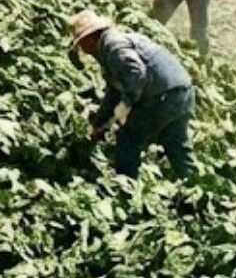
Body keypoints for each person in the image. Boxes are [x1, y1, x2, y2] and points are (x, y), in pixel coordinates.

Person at [66, 10, 195, 178]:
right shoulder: (115, 44)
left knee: (128, 140)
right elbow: (113, 93)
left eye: (81, 44)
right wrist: (100, 124)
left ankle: (125, 191)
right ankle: (195, 189)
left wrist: (126, 104)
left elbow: (136, 73)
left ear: (89, 38)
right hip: (182, 92)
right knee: (177, 146)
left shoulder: (113, 46)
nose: (83, 50)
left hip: (162, 97)